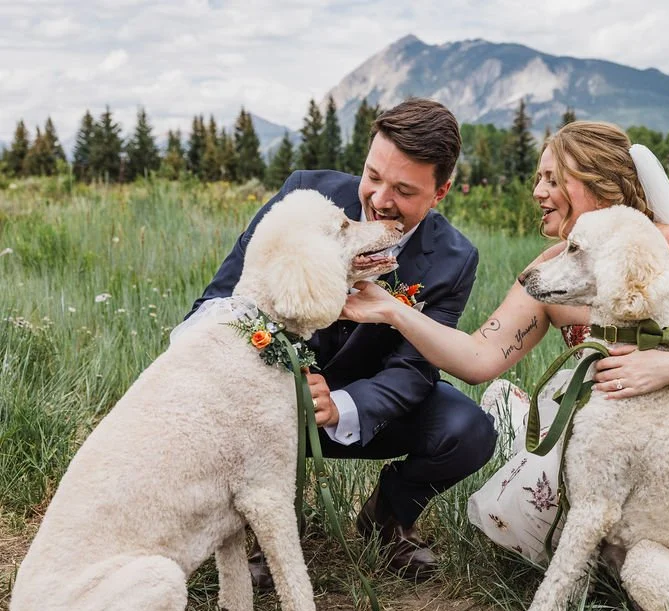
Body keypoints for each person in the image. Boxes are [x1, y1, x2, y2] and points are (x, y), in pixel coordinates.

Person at [341, 121, 669, 602]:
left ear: (598, 186)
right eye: (538, 179)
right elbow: (479, 358)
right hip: (603, 435)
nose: (537, 192)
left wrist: (667, 366)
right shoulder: (549, 271)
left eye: (551, 179)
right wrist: (394, 311)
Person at [186, 98, 497, 583]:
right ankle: (250, 530)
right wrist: (276, 373)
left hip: (359, 407)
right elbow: (224, 299)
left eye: (404, 189)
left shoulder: (454, 258)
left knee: (467, 428)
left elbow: (412, 368)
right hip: (263, 390)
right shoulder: (305, 195)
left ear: (441, 192)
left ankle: (386, 519)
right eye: (373, 175)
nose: (379, 198)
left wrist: (340, 406)